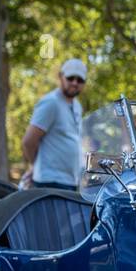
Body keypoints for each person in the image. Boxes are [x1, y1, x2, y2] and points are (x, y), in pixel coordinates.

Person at [22, 58, 87, 190]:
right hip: (50, 182)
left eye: (80, 80)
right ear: (60, 76)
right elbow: (28, 142)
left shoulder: (77, 106)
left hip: (71, 181)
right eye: (70, 78)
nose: (75, 83)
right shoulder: (50, 103)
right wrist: (35, 165)